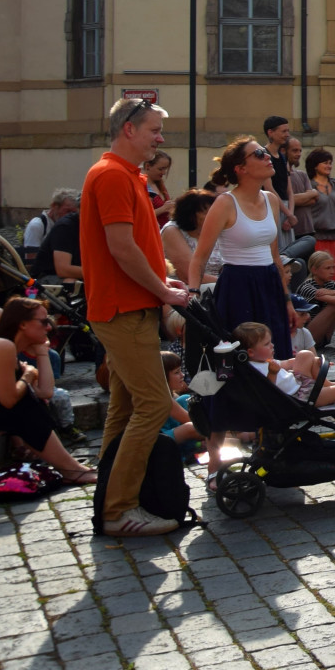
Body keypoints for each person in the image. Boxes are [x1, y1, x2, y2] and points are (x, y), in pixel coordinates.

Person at [81, 98, 193, 535]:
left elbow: (139, 247)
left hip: (133, 306)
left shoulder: (127, 174)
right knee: (151, 405)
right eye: (153, 130)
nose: (160, 138)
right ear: (129, 129)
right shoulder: (111, 175)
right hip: (121, 308)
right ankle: (117, 510)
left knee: (126, 407)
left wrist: (165, 283)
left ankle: (111, 498)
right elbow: (121, 248)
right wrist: (163, 289)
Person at [190, 137, 296, 360]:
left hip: (269, 283)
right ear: (241, 168)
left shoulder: (271, 200)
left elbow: (275, 256)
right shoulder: (225, 203)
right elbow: (199, 257)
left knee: (275, 353)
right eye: (259, 154)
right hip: (238, 285)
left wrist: (287, 300)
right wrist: (193, 295)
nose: (267, 156)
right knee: (242, 357)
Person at [0, 299, 96, 484]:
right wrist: (27, 376)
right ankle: (70, 468)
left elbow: (45, 392)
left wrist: (42, 353)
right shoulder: (4, 346)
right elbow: (9, 400)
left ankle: (70, 468)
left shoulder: (12, 351)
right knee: (25, 403)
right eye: (44, 322)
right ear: (22, 324)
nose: (50, 327)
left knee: (29, 400)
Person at [296, 148, 335, 291]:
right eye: (325, 163)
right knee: (322, 280)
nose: (329, 166)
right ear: (315, 165)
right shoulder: (309, 186)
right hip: (318, 238)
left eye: (330, 163)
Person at [31, 191, 85, 282]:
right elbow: (63, 270)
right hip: (46, 278)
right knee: (71, 282)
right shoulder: (65, 227)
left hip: (76, 274)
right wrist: (101, 273)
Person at [22, 189, 80, 265]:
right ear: (54, 206)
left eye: (74, 212)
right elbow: (30, 261)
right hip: (40, 274)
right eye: (67, 211)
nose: (70, 216)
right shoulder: (37, 225)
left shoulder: (69, 225)